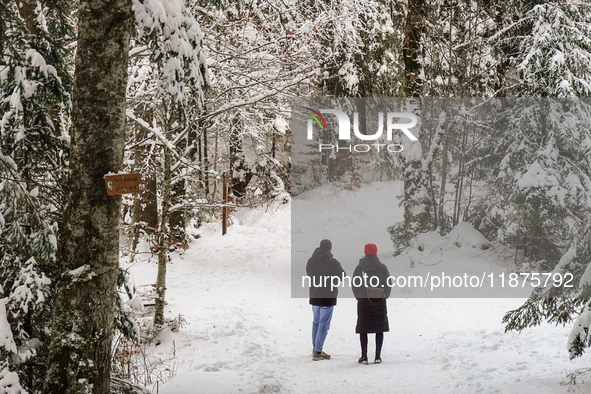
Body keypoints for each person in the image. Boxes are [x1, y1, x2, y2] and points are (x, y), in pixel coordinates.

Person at [306, 239, 346, 361]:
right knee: (324, 324)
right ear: (330, 249)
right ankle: (318, 351)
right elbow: (342, 276)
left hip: (315, 294)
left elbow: (309, 274)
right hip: (327, 296)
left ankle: (315, 347)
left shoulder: (310, 261)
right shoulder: (333, 262)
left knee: (316, 322)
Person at [352, 243, 392, 365]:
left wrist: (359, 297)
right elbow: (388, 283)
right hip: (379, 300)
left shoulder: (359, 268)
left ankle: (364, 357)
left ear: (365, 252)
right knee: (379, 327)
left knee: (363, 328)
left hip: (364, 301)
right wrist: (385, 296)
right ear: (376, 252)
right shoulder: (382, 267)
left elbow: (354, 284)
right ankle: (377, 356)